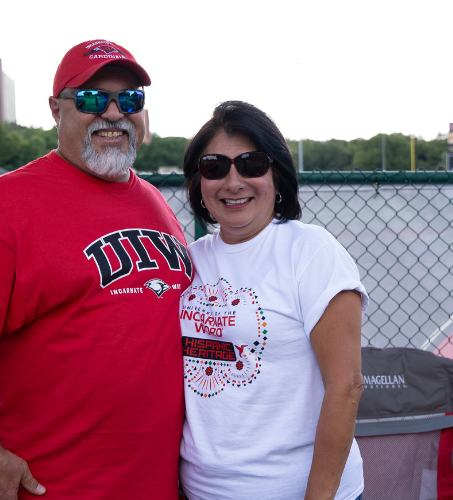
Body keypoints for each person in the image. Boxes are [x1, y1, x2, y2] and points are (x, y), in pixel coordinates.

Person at [0, 39, 193, 500]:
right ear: (56, 110)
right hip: (48, 486)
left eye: (130, 99)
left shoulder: (151, 200)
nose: (113, 112)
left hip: (148, 485)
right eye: (90, 98)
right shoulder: (1, 207)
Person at [178, 101, 367, 500]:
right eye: (215, 166)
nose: (233, 181)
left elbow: (346, 386)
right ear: (199, 181)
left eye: (251, 164)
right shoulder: (188, 261)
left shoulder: (311, 251)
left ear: (277, 174)